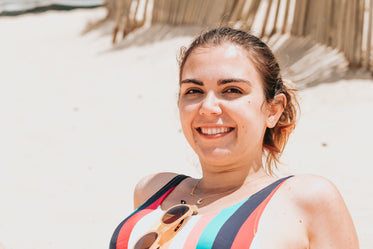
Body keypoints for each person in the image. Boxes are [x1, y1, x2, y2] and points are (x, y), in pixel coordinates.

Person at [110, 27, 359, 249]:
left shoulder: (305, 199)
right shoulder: (153, 190)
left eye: (231, 90)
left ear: (273, 110)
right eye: (193, 91)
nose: (208, 107)